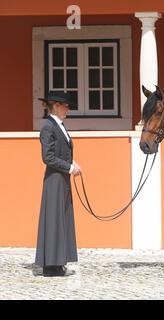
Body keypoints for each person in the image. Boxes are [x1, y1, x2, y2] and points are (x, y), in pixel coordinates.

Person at [35, 91, 82, 277]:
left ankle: (57, 263)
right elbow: (48, 157)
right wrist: (69, 167)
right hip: (54, 179)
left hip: (62, 178)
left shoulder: (59, 126)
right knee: (54, 220)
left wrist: (73, 164)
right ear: (55, 105)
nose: (68, 109)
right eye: (66, 105)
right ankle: (51, 266)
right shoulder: (48, 126)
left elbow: (62, 152)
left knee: (62, 219)